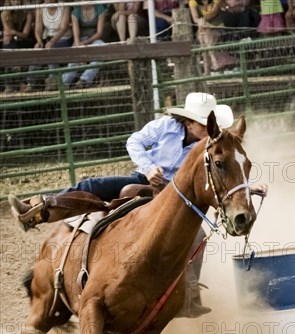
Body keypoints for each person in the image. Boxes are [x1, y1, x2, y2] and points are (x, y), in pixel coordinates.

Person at [9, 93, 267, 317]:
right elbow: (134, 141)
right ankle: (38, 211)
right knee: (92, 186)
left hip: (178, 195)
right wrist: (149, 167)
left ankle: (188, 294)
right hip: (144, 179)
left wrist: (247, 187)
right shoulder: (166, 127)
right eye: (204, 124)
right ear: (189, 122)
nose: (210, 129)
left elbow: (230, 169)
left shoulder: (211, 147)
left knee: (197, 234)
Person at [25, 0, 73, 92]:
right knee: (37, 49)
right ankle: (32, 82)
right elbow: (38, 29)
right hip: (47, 39)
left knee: (50, 49)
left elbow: (64, 28)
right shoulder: (40, 8)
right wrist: (39, 41)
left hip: (63, 38)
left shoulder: (64, 6)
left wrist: (52, 41)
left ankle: (53, 81)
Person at [62, 1, 108, 89]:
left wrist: (86, 42)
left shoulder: (100, 9)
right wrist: (78, 45)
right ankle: (64, 82)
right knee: (75, 56)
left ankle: (85, 80)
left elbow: (99, 32)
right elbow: (76, 34)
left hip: (94, 38)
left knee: (102, 48)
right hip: (80, 39)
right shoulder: (76, 11)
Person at [189, 0, 236, 74]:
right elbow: (195, 19)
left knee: (204, 37)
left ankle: (207, 71)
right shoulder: (192, 1)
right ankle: (213, 59)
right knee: (204, 35)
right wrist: (200, 21)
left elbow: (213, 13)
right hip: (203, 28)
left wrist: (202, 20)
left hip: (218, 28)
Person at [1, 0, 35, 93]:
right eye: (14, 0)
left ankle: (12, 85)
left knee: (9, 46)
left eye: (18, 0)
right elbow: (8, 32)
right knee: (8, 45)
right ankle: (17, 84)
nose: (16, 1)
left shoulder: (27, 13)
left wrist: (14, 32)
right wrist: (11, 33)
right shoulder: (4, 13)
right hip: (13, 43)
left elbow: (25, 34)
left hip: (26, 42)